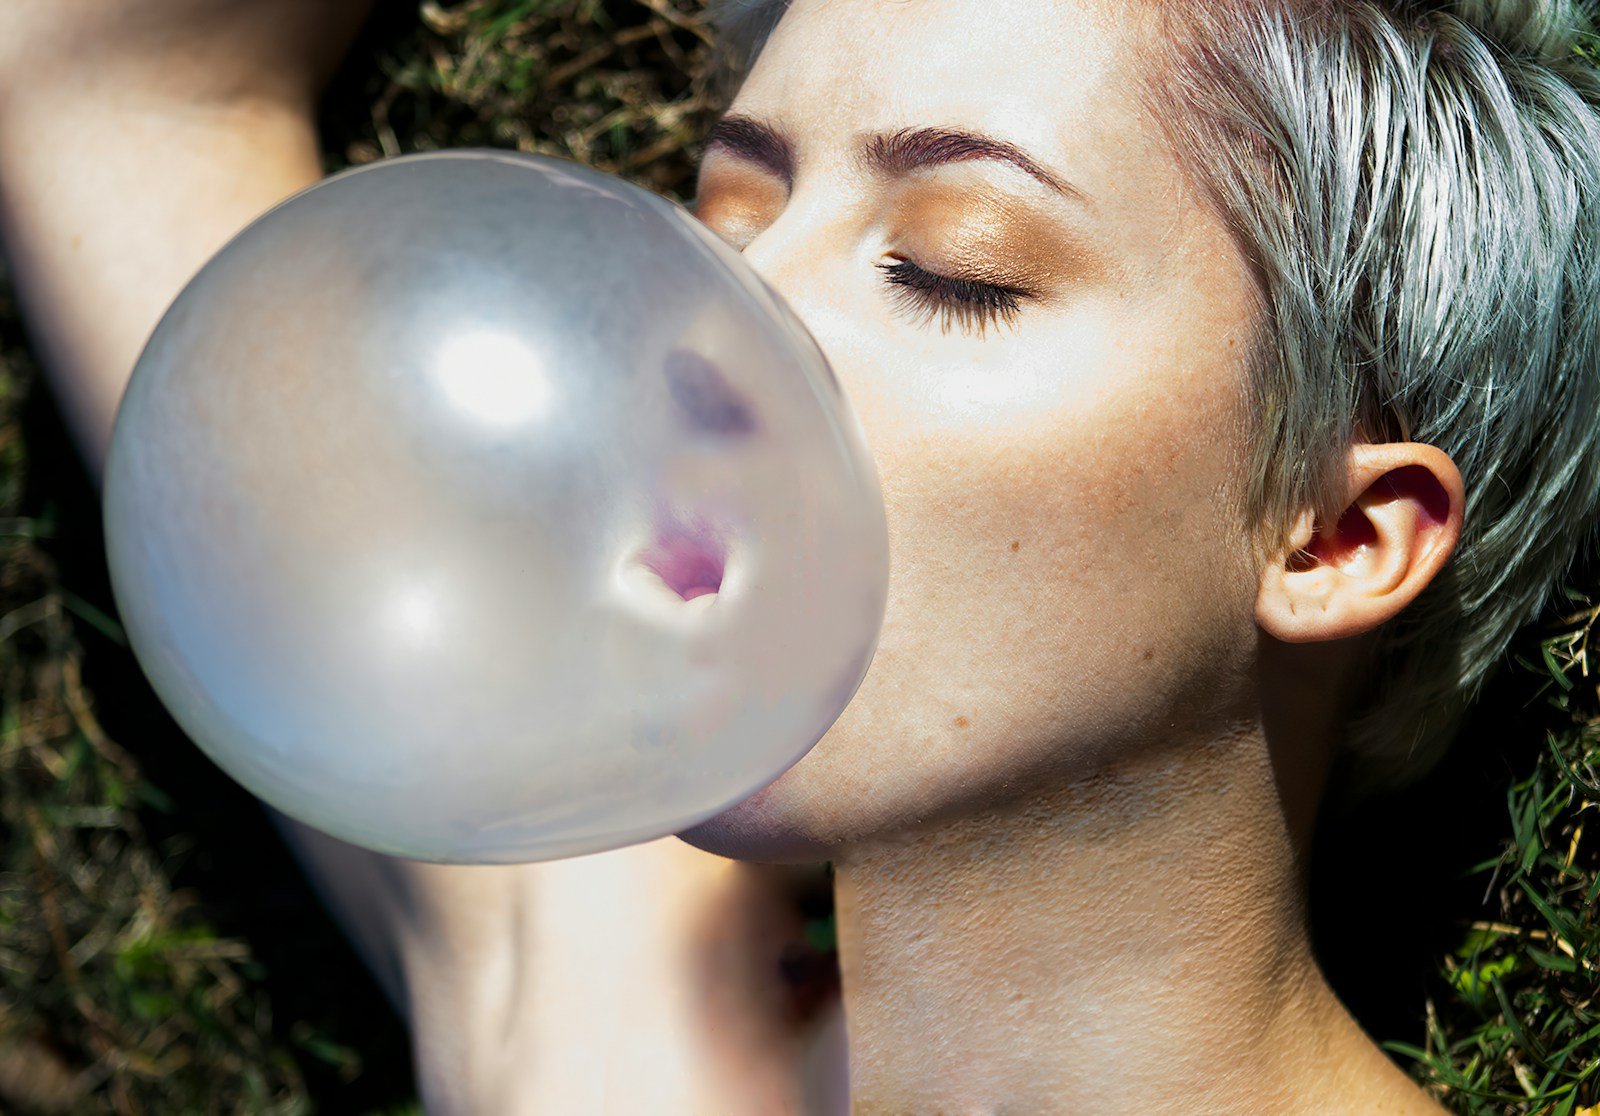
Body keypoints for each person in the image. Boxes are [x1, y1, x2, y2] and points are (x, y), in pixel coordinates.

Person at [3, 0, 1598, 1112]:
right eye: (724, 215)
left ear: (1335, 536)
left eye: (951, 268)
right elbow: (85, 75)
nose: (708, 324)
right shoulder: (604, 1021)